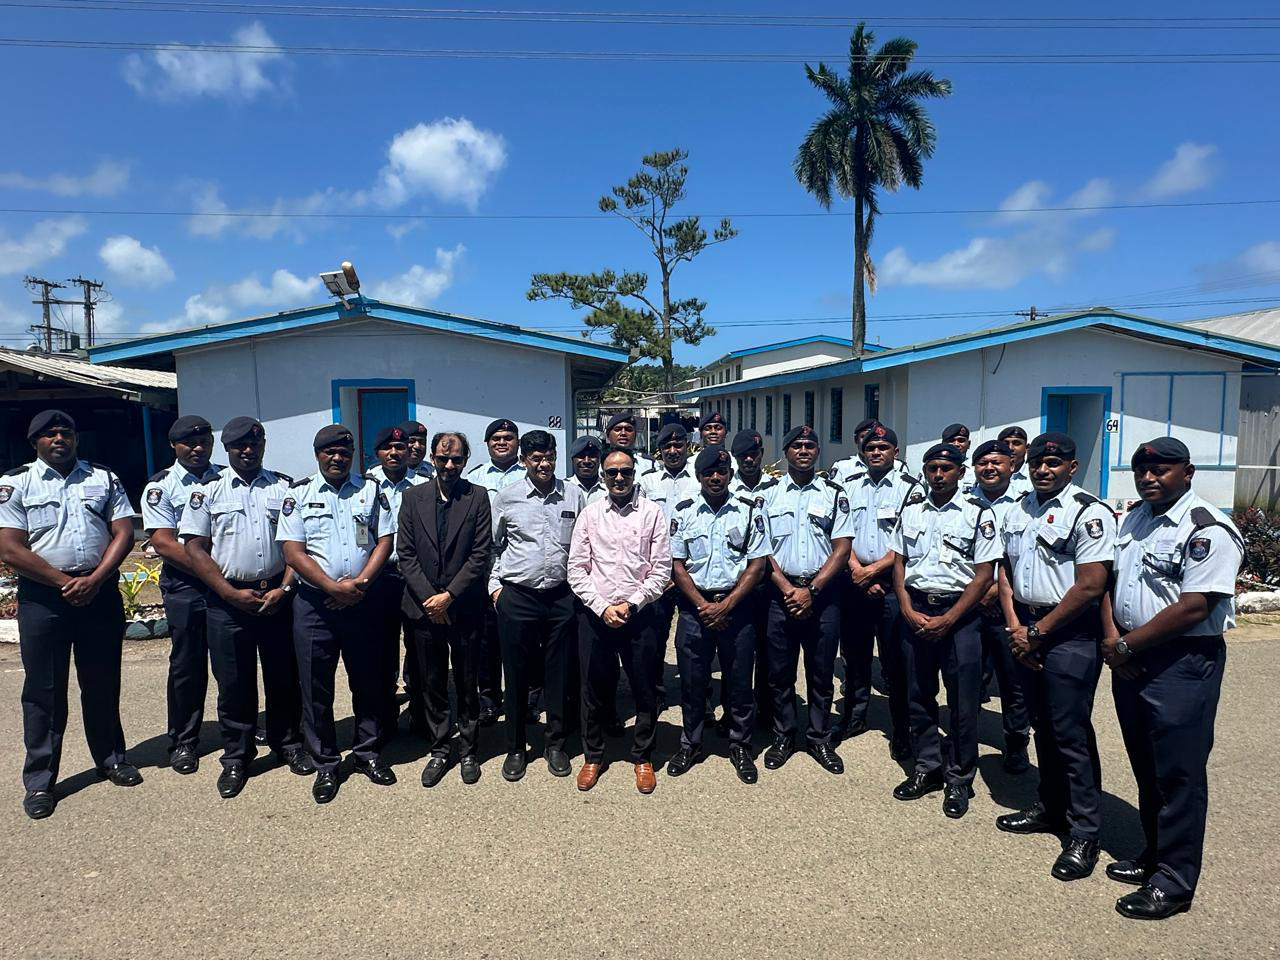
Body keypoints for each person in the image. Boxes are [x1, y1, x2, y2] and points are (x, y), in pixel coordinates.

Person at [1102, 437, 1243, 920]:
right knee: (1147, 766)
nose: (1148, 478)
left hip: (1181, 663)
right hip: (1130, 656)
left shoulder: (1207, 528)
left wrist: (1125, 646)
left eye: (1160, 470)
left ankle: (1175, 882)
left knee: (1178, 774)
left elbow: (1195, 606)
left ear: (1188, 472)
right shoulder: (1135, 519)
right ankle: (1155, 854)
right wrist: (1115, 641)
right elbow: (1111, 585)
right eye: (1142, 470)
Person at [0, 410, 140, 820]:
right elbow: (9, 548)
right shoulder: (15, 483)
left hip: (99, 591)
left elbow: (124, 532)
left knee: (102, 682)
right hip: (44, 599)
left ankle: (111, 758)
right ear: (35, 443)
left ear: (76, 438)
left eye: (66, 432)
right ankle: (40, 780)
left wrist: (94, 579)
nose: (59, 439)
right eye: (49, 434)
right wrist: (65, 582)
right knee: (43, 691)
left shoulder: (103, 478)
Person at [996, 432, 1117, 881]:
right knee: (1042, 725)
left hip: (1068, 634)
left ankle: (1084, 831)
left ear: (1072, 466)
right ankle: (1050, 806)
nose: (1043, 470)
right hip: (1026, 627)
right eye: (1037, 463)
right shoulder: (1018, 509)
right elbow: (1005, 571)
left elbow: (1091, 585)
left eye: (1054, 463)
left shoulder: (1089, 512)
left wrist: (1038, 632)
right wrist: (1016, 626)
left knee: (1071, 733)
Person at [180, 416, 311, 798]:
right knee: (234, 683)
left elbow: (296, 546)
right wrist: (227, 593)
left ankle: (288, 743)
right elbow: (195, 548)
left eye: (255, 444)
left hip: (276, 597)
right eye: (240, 445)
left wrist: (285, 588)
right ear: (228, 449)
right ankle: (237, 756)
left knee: (284, 677)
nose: (248, 451)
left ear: (263, 445)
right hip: (228, 602)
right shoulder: (207, 491)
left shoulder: (284, 488)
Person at [277, 424, 395, 804]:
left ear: (352, 456)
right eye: (330, 452)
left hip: (362, 601)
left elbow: (384, 540)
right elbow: (293, 551)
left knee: (368, 681)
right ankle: (326, 763)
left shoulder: (370, 490)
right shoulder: (299, 494)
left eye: (344, 452)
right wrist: (331, 588)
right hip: (315, 605)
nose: (337, 458)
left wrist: (359, 585)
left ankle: (367, 752)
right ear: (318, 455)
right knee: (316, 687)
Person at [890, 443, 1000, 819]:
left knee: (962, 702)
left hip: (961, 617)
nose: (938, 475)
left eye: (946, 469)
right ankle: (928, 767)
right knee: (918, 695)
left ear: (960, 472)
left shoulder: (977, 513)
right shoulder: (912, 509)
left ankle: (959, 777)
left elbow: (984, 574)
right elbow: (899, 562)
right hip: (917, 610)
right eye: (932, 468)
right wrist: (906, 607)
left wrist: (951, 618)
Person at [568, 447, 671, 794]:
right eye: (612, 472)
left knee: (644, 687)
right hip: (596, 615)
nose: (619, 478)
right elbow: (576, 568)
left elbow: (661, 569)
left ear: (634, 474)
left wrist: (632, 604)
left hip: (639, 615)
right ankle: (593, 756)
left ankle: (642, 756)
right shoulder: (590, 514)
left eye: (625, 471)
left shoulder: (652, 514)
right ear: (602, 476)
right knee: (593, 689)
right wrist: (602, 607)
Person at [668, 446, 770, 784]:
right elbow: (677, 565)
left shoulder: (749, 510)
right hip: (694, 610)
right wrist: (703, 605)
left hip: (737, 609)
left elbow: (757, 564)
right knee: (692, 682)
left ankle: (740, 745)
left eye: (721, 472)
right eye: (709, 472)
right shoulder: (683, 512)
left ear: (730, 475)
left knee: (739, 682)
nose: (715, 477)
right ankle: (691, 743)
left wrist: (727, 605)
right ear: (698, 476)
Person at [398, 431, 493, 788]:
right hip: (423, 609)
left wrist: (449, 596)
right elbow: (406, 554)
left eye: (456, 459)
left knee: (467, 681)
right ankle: (440, 747)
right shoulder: (413, 497)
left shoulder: (477, 496)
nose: (449, 465)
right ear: (432, 459)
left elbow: (480, 553)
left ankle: (468, 749)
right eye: (442, 459)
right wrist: (431, 599)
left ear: (466, 460)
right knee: (432, 681)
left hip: (464, 606)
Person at [490, 430, 584, 781]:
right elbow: (492, 546)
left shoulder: (572, 494)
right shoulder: (507, 497)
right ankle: (516, 747)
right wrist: (495, 590)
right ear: (523, 461)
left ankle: (555, 744)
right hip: (518, 596)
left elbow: (583, 543)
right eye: (536, 458)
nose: (544, 464)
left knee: (558, 674)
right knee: (516, 674)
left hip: (561, 597)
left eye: (549, 457)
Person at [760, 424, 852, 774]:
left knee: (821, 671)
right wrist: (788, 589)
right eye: (796, 445)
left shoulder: (834, 493)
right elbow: (762, 550)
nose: (803, 451)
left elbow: (842, 548)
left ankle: (818, 737)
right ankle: (783, 735)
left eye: (809, 446)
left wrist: (812, 591)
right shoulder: (768, 494)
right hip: (779, 595)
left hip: (823, 597)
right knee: (780, 672)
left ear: (817, 451)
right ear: (785, 452)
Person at [141, 415, 221, 775]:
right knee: (187, 665)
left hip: (227, 582)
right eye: (189, 443)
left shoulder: (226, 478)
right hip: (187, 584)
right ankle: (184, 740)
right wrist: (214, 574)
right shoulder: (161, 486)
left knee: (233, 662)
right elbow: (163, 542)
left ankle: (241, 727)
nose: (198, 448)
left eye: (204, 442)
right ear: (174, 445)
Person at [837, 423, 917, 758]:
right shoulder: (850, 486)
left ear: (895, 452)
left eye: (883, 448)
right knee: (855, 656)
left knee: (895, 661)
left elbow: (909, 541)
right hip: (854, 582)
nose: (876, 453)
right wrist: (858, 570)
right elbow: (841, 534)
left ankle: (902, 730)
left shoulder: (911, 489)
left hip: (890, 586)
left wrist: (873, 573)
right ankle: (854, 717)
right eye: (870, 448)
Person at [365, 426, 431, 741]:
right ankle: (385, 718)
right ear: (377, 452)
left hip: (414, 576)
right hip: (379, 578)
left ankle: (421, 715)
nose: (394, 453)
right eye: (387, 448)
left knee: (419, 649)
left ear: (409, 451)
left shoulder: (423, 485)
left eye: (400, 447)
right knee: (381, 651)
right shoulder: (365, 485)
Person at [970, 439, 1032, 773]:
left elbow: (1026, 557)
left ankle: (1016, 742)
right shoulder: (963, 500)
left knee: (1013, 681)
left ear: (1012, 465)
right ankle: (964, 739)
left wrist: (995, 589)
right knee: (967, 678)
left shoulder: (1026, 505)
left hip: (1008, 606)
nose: (989, 468)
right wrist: (977, 591)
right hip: (968, 604)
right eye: (983, 462)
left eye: (996, 462)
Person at [465, 417, 523, 726]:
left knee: (522, 638)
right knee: (486, 639)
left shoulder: (530, 474)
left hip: (519, 566)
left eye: (508, 438)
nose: (502, 442)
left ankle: (523, 698)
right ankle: (489, 699)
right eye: (496, 438)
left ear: (517, 443)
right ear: (487, 444)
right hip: (483, 565)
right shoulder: (474, 478)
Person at [639, 422, 700, 708]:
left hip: (692, 571)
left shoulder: (699, 479)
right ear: (659, 450)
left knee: (696, 640)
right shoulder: (648, 482)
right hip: (657, 572)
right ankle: (655, 692)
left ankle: (700, 698)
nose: (673, 451)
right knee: (654, 636)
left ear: (687, 446)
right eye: (667, 446)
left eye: (678, 445)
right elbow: (640, 527)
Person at [729, 429, 777, 728]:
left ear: (761, 455)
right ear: (735, 458)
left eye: (754, 454)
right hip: (737, 583)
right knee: (736, 653)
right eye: (743, 455)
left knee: (769, 650)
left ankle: (766, 711)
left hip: (771, 582)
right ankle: (733, 712)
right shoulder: (726, 486)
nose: (749, 459)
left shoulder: (776, 487)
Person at [829, 418, 912, 484]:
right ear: (856, 440)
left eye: (882, 447)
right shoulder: (842, 466)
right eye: (864, 437)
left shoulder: (899, 466)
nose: (876, 452)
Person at [567, 435, 607, 505]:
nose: (586, 461)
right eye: (581, 456)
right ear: (572, 460)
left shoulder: (608, 489)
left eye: (592, 456)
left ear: (600, 459)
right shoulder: (563, 489)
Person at [999, 426, 1033, 496]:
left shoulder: (1033, 476)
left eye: (1016, 443)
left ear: (1027, 448)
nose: (1010, 448)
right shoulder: (989, 474)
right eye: (1005, 443)